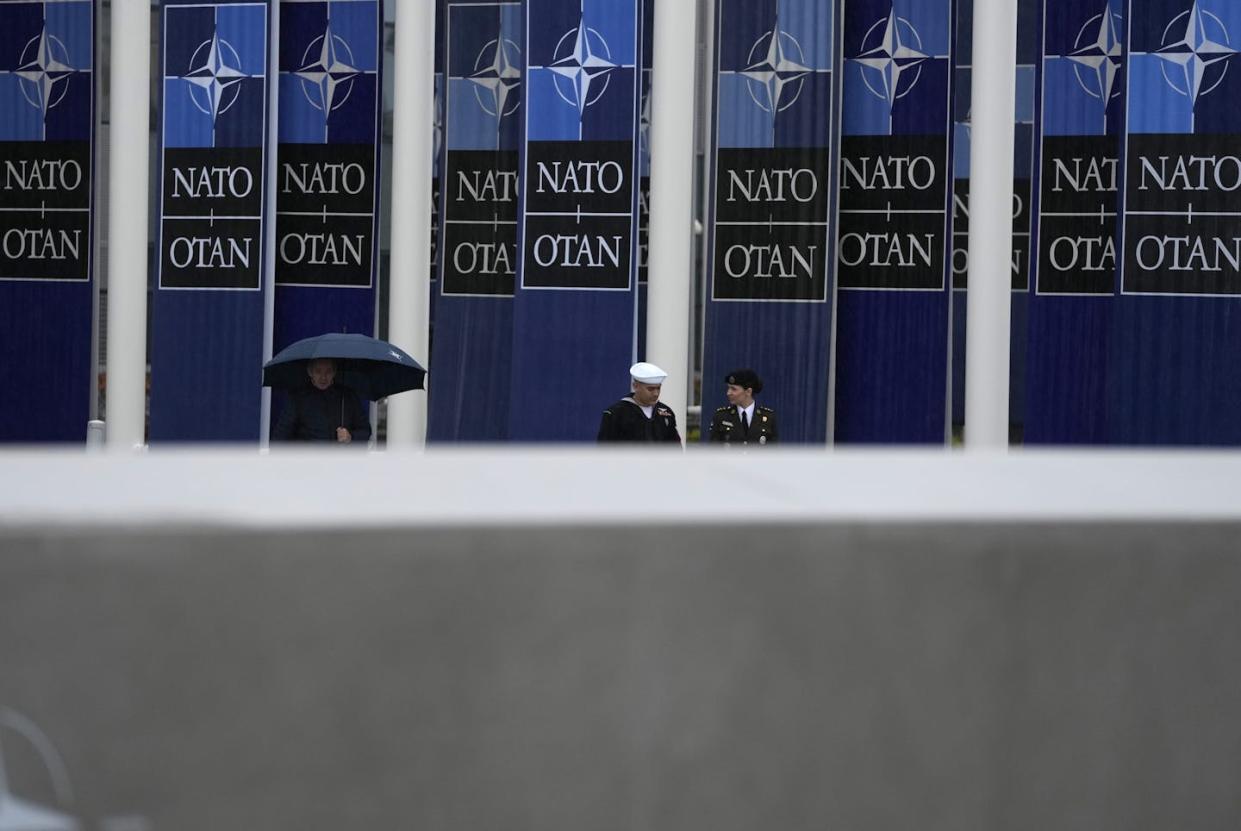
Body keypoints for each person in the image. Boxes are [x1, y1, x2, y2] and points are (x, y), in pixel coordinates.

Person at [271, 358, 371, 444]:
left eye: (328, 371)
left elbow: (365, 431)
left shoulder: (348, 396)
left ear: (334, 372)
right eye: (318, 371)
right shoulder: (297, 398)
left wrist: (351, 437)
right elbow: (281, 434)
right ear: (310, 372)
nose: (323, 377)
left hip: (340, 461)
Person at [596, 362, 682, 445]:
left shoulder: (666, 413)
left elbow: (675, 449)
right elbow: (605, 450)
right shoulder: (616, 413)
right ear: (635, 386)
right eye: (650, 389)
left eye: (658, 388)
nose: (656, 393)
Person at [709, 368, 777, 446]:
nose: (728, 393)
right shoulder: (721, 417)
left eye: (734, 389)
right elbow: (714, 451)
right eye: (728, 388)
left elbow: (773, 453)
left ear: (748, 391)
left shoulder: (768, 418)